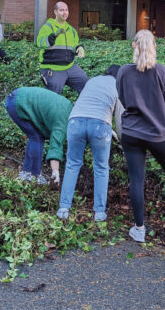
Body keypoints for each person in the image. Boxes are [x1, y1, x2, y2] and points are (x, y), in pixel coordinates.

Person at [116, 30, 165, 243]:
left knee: (136, 180)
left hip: (131, 133)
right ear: (155, 47)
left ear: (133, 46)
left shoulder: (123, 72)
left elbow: (122, 97)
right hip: (157, 132)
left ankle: (139, 228)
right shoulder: (161, 72)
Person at [57, 65, 124, 222]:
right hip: (100, 126)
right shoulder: (119, 86)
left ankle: (63, 208)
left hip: (75, 121)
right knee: (101, 167)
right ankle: (99, 213)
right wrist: (121, 139)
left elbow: (86, 104)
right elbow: (119, 119)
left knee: (72, 164)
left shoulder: (93, 80)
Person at [4, 86, 72, 185]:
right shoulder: (63, 122)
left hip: (18, 96)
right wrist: (55, 171)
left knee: (36, 136)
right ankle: (34, 175)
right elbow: (55, 147)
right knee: (36, 138)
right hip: (18, 103)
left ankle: (27, 172)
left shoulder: (69, 106)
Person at [36, 1, 88, 94]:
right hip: (53, 69)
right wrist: (52, 37)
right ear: (55, 12)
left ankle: (80, 107)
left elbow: (74, 44)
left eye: (66, 10)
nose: (65, 13)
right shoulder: (48, 27)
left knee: (87, 86)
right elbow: (40, 43)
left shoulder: (71, 29)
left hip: (70, 67)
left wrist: (79, 48)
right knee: (53, 97)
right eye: (61, 10)